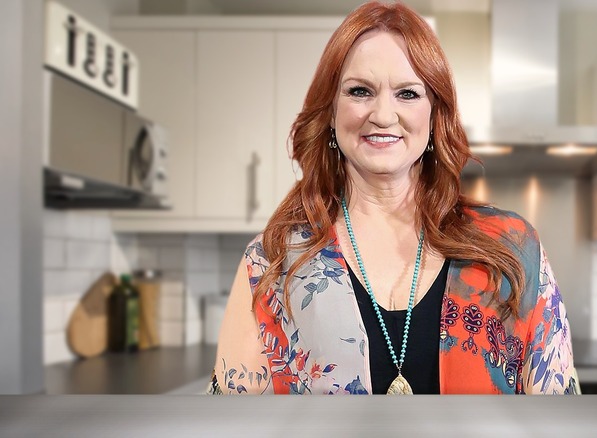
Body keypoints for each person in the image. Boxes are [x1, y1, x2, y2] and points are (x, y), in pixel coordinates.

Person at [209, 1, 577, 395]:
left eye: (407, 93)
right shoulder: (271, 262)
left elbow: (556, 418)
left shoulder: (512, 248)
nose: (383, 115)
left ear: (435, 114)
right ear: (330, 112)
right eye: (360, 91)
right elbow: (234, 424)